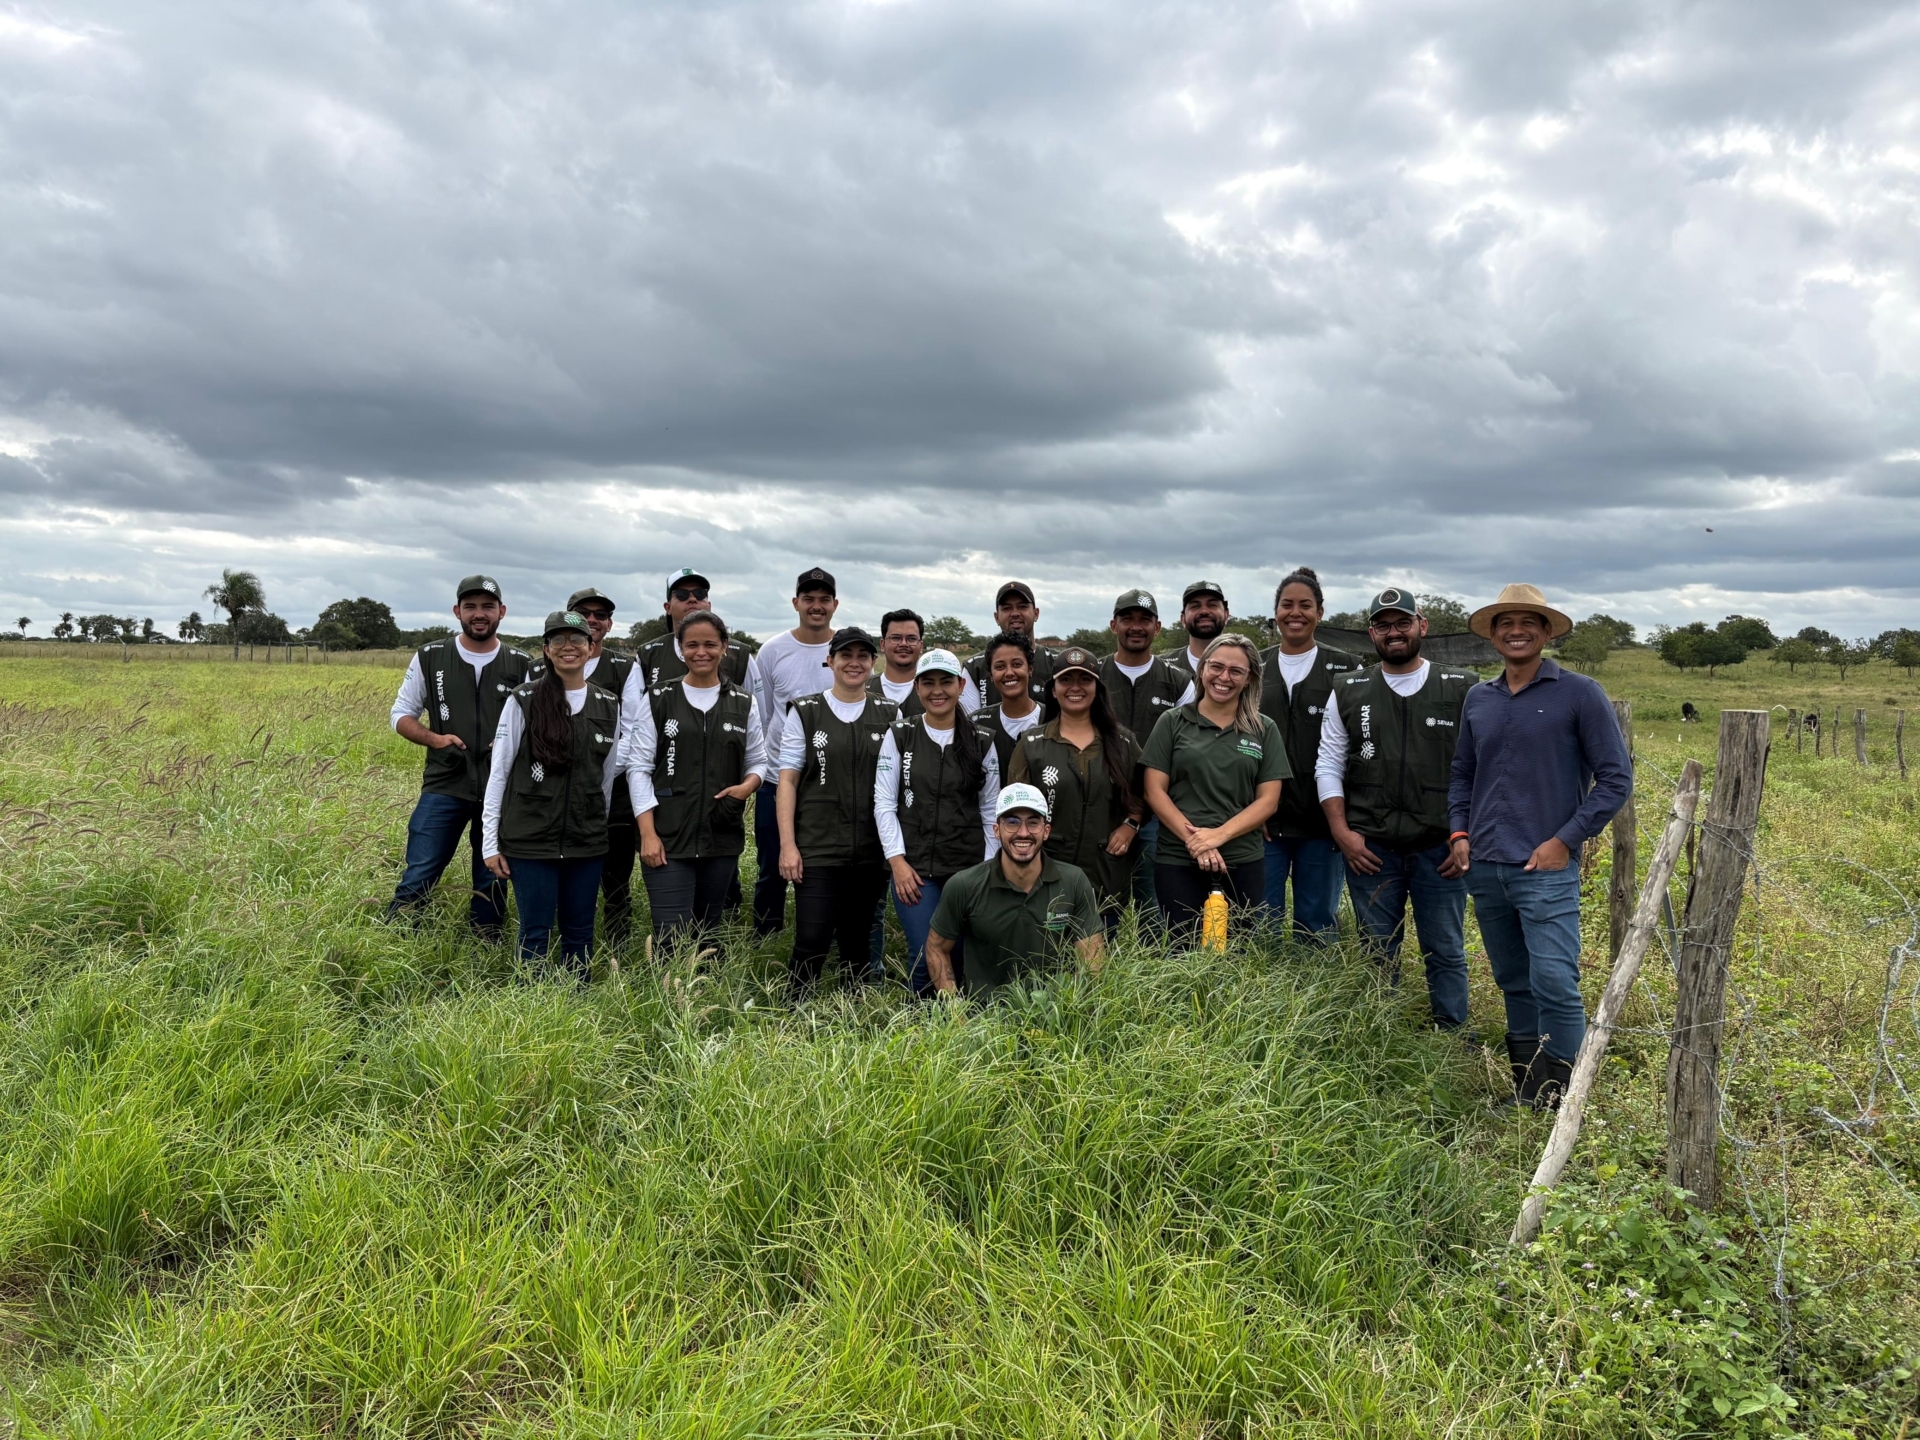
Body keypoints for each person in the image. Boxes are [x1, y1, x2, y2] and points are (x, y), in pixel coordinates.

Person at [1450, 583, 1632, 1107]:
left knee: (1554, 980)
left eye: (1528, 622)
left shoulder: (1580, 693)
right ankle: (1530, 1092)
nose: (1516, 631)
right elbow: (1462, 773)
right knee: (1513, 979)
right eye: (1505, 623)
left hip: (1545, 868)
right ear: (1492, 634)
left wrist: (1564, 841)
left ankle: (1567, 1102)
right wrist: (1459, 833)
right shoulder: (1479, 698)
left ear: (1547, 632)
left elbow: (1616, 779)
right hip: (1486, 864)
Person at [1317, 587, 1481, 1033]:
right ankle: (1381, 1034)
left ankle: (1451, 1034)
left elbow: (1485, 767)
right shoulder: (1348, 689)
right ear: (1371, 633)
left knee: (1445, 949)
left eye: (1402, 622)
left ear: (1421, 626)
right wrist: (1342, 833)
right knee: (1376, 949)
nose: (1394, 632)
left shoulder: (1463, 686)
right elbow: (1328, 764)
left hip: (1440, 848)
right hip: (1371, 848)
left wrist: (1465, 835)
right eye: (1383, 625)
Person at [386, 574, 531, 938]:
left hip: (501, 789)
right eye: (471, 607)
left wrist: (513, 745)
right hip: (445, 783)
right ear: (457, 611)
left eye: (487, 606)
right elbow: (401, 714)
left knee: (493, 874)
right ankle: (396, 937)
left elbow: (538, 721)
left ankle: (485, 942)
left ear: (502, 611)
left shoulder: (521, 663)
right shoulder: (431, 656)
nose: (479, 614)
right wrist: (435, 740)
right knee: (421, 870)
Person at [480, 611, 622, 980]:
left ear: (590, 647)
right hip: (530, 840)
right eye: (557, 640)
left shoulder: (608, 704)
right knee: (535, 932)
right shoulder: (523, 699)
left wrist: (594, 825)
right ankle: (531, 1003)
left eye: (576, 639)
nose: (567, 647)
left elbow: (605, 779)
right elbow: (499, 773)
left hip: (586, 842)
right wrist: (490, 843)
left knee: (580, 933)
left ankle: (578, 1002)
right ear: (546, 649)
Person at [623, 610, 767, 948]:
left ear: (724, 647)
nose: (701, 652)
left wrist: (747, 787)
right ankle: (668, 985)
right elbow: (638, 767)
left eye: (710, 644)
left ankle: (703, 984)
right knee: (670, 938)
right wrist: (648, 834)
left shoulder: (743, 703)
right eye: (692, 645)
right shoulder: (658, 698)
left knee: (708, 936)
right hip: (667, 836)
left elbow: (758, 761)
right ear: (680, 648)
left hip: (721, 835)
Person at [776, 627, 898, 995]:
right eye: (846, 655)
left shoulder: (890, 713)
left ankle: (853, 1014)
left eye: (863, 656)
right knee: (812, 938)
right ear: (830, 661)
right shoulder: (806, 711)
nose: (854, 663)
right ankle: (794, 1011)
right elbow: (787, 781)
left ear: (874, 662)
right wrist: (788, 846)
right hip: (817, 847)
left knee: (857, 942)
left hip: (870, 849)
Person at [1141, 633, 1290, 934]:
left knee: (1236, 951)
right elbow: (1153, 791)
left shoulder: (1264, 729)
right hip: (1178, 858)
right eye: (1217, 667)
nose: (1224, 677)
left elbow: (1268, 801)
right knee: (1181, 949)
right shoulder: (1172, 721)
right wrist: (1197, 843)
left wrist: (1218, 836)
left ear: (1249, 679)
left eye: (1236, 671)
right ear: (1202, 669)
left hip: (1242, 859)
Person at [874, 648, 1000, 995]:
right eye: (928, 683)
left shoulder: (982, 740)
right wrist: (897, 862)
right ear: (917, 688)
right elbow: (884, 803)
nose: (937, 690)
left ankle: (957, 1021)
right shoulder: (900, 734)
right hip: (914, 871)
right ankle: (918, 1021)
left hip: (966, 870)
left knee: (958, 955)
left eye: (946, 681)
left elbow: (991, 811)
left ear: (961, 685)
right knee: (923, 954)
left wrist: (986, 870)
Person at [1257, 567, 1362, 941]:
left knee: (1317, 924)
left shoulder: (1346, 669)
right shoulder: (1254, 666)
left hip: (1322, 821)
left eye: (1305, 605)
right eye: (1287, 604)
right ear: (1276, 612)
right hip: (1263, 821)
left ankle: (1317, 978)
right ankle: (1262, 978)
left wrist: (1344, 816)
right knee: (1259, 922)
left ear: (1320, 612)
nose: (1295, 613)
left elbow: (1356, 742)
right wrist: (1247, 805)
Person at [923, 783, 1106, 998]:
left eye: (1033, 823)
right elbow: (936, 948)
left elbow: (1092, 957)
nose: (1023, 832)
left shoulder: (1073, 881)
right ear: (996, 830)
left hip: (1054, 1009)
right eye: (1012, 822)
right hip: (984, 1013)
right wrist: (956, 1010)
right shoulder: (964, 885)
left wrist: (1077, 1009)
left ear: (1046, 831)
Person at [1008, 645, 1144, 928]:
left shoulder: (1123, 743)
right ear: (1053, 689)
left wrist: (1131, 824)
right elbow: (1013, 810)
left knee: (1100, 953)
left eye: (1085, 680)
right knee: (1047, 950)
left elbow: (1146, 794)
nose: (1075, 687)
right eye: (1066, 680)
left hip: (1105, 875)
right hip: (1046, 875)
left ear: (1097, 688)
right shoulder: (1032, 744)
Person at [749, 567, 841, 937]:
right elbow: (764, 713)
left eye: (824, 599)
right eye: (809, 599)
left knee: (825, 867)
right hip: (777, 778)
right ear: (795, 603)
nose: (816, 606)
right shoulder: (772, 651)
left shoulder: (845, 650)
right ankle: (766, 936)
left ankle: (822, 934)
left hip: (828, 783)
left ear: (835, 605)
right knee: (772, 864)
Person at [1099, 588, 1194, 923]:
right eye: (1127, 619)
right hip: (1100, 809)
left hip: (1158, 814)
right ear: (1114, 625)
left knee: (1154, 906)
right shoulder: (1094, 676)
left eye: (1144, 619)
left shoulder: (1179, 682)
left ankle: (1151, 956)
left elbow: (1188, 750)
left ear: (1158, 627)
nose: (1136, 626)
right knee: (1099, 903)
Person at [562, 585, 641, 949]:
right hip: (556, 790)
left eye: (601, 615)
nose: (592, 620)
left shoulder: (626, 668)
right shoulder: (539, 666)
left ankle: (618, 944)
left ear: (609, 624)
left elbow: (633, 729)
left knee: (616, 876)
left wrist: (600, 772)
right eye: (584, 613)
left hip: (613, 791)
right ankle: (566, 936)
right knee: (563, 868)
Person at [637, 568, 755, 687]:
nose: (692, 599)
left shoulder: (740, 655)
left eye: (700, 594)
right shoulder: (647, 654)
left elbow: (755, 699)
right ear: (668, 607)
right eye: (682, 594)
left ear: (709, 605)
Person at [869, 608, 983, 716]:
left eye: (911, 639)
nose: (903, 644)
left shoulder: (942, 696)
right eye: (896, 638)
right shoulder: (864, 688)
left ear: (921, 646)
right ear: (882, 645)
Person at [970, 630, 1046, 779]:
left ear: (1030, 669)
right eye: (1000, 667)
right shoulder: (977, 724)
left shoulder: (1052, 718)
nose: (1009, 672)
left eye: (1017, 664)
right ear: (991, 675)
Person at [964, 582, 1055, 701]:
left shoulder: (1057, 662)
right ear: (996, 617)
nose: (1015, 613)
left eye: (1022, 606)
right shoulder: (974, 668)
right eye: (1007, 608)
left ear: (1036, 613)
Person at [1173, 580, 1231, 680]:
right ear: (1183, 619)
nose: (1204, 611)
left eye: (1212, 605)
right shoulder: (1162, 667)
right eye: (1195, 606)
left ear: (1226, 615)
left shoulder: (1247, 664)